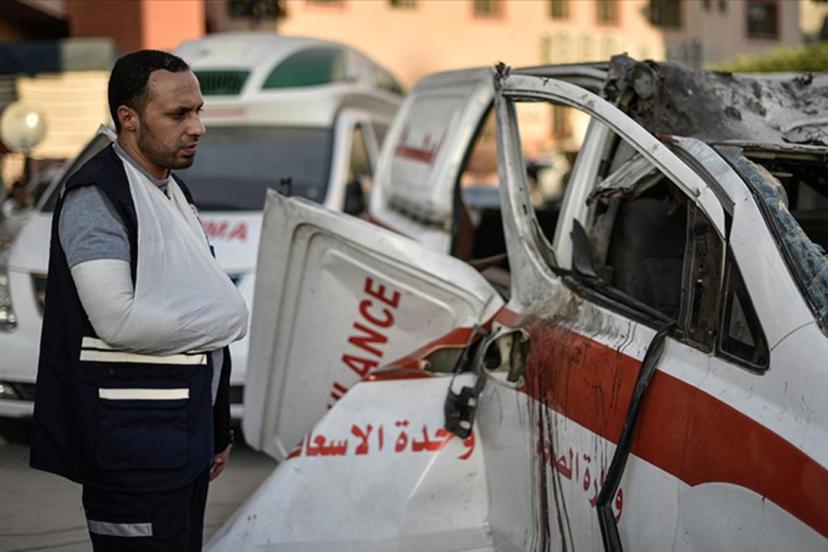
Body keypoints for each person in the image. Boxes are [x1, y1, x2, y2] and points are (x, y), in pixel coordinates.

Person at [29, 50, 249, 551]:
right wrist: (230, 318)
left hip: (179, 441)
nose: (197, 127)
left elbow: (192, 312)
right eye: (178, 114)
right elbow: (118, 320)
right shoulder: (98, 198)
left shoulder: (173, 194)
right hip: (131, 448)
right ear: (128, 119)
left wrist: (217, 429)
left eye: (198, 111)